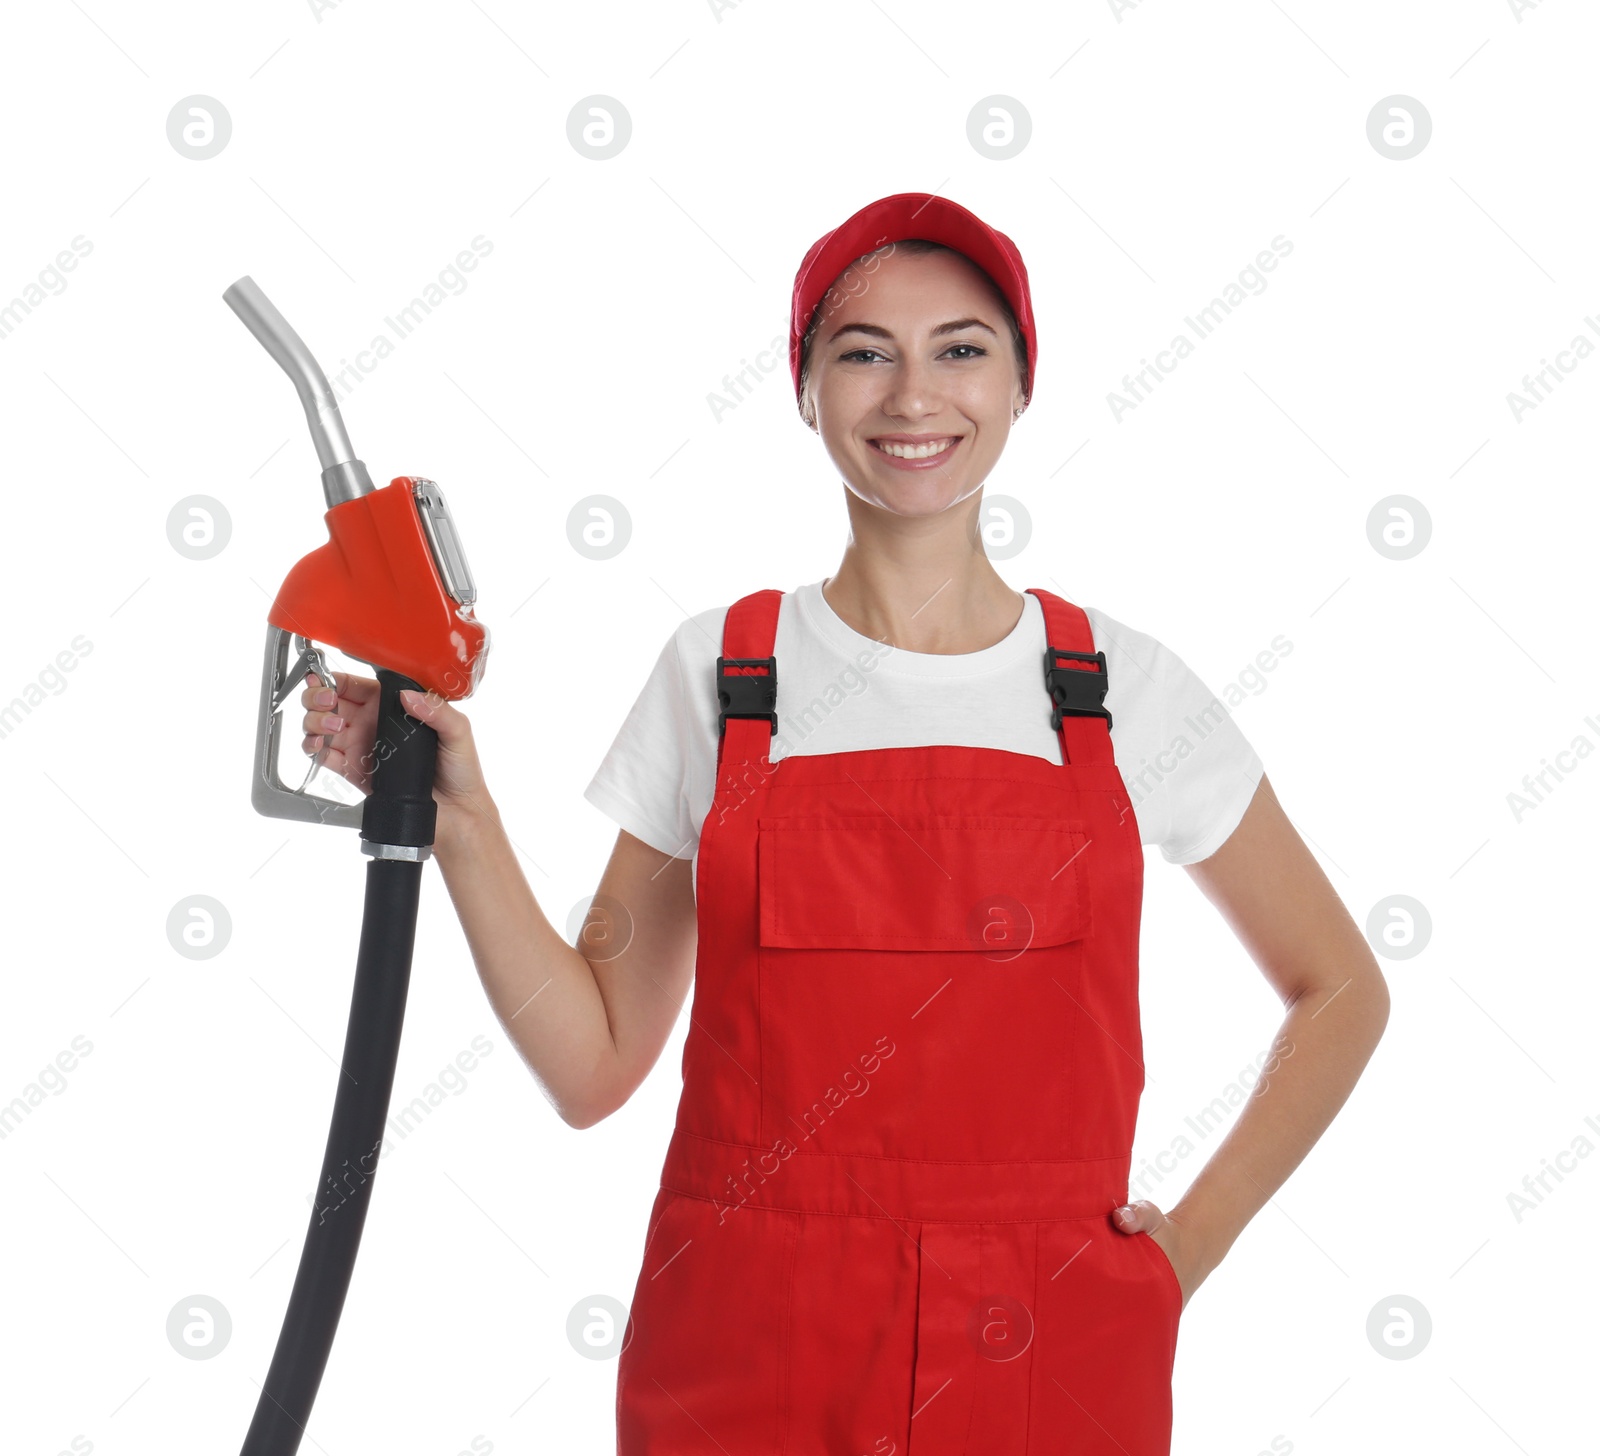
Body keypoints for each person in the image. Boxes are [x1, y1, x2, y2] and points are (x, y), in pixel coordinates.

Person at [297, 192, 1390, 1453]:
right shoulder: (721, 676)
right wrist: (464, 821)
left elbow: (1341, 988)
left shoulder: (1123, 692)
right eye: (864, 351)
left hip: (1042, 1353)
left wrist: (1188, 1248)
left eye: (962, 349)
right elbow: (592, 1066)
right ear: (805, 389)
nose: (913, 396)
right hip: (744, 1346)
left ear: (1024, 383)